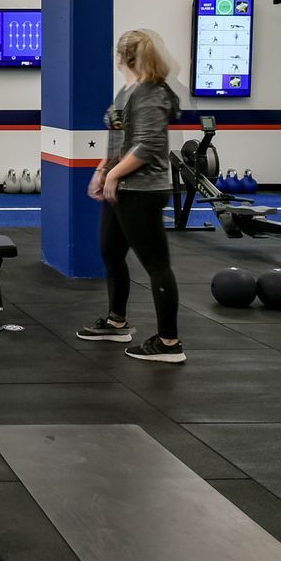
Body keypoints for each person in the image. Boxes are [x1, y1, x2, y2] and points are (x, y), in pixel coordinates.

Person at [76, 28, 186, 363]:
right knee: (110, 252)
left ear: (123, 56)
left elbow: (149, 146)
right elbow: (119, 141)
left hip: (143, 190)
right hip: (122, 186)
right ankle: (116, 322)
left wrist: (115, 173)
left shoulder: (152, 92)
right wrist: (101, 170)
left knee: (156, 265)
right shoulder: (128, 90)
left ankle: (169, 344)